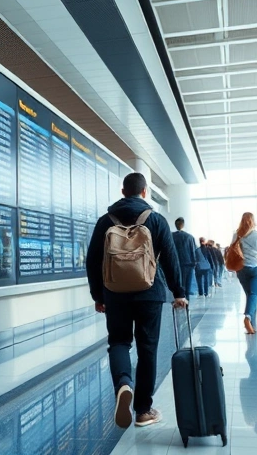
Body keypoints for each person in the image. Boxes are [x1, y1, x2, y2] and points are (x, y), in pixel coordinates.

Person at [86, 173, 187, 429]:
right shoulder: (156, 220)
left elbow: (92, 261)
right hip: (149, 293)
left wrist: (98, 295)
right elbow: (170, 260)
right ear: (144, 193)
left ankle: (123, 384)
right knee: (147, 349)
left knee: (119, 342)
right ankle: (143, 411)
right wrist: (179, 292)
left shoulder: (104, 222)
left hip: (115, 294)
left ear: (123, 191)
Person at [232, 212, 257, 335]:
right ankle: (248, 318)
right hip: (256, 268)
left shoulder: (236, 235)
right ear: (253, 221)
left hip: (241, 269)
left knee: (249, 295)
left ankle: (252, 324)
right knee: (255, 294)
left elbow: (232, 252)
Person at [173, 218, 199, 299]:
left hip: (175, 264)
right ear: (183, 225)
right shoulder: (189, 237)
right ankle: (186, 302)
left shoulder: (171, 236)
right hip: (188, 264)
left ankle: (178, 300)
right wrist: (195, 262)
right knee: (187, 285)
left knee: (177, 284)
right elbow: (193, 251)